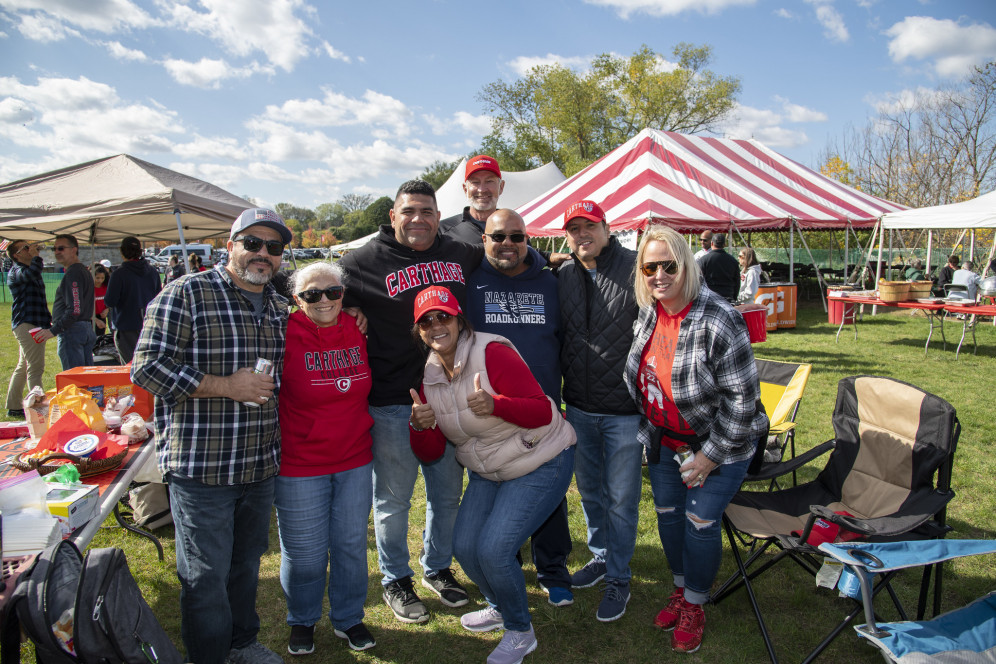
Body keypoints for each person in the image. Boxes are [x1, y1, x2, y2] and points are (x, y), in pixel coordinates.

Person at [131, 208, 292, 664]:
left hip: (259, 464)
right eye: (252, 243)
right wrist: (224, 385)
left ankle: (241, 644)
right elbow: (145, 367)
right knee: (204, 576)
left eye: (273, 247)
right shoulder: (186, 292)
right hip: (203, 465)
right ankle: (210, 656)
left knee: (243, 567)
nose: (263, 254)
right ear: (230, 246)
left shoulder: (280, 308)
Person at [338, 180, 484, 624]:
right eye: (408, 211)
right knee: (394, 498)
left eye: (426, 211)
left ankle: (437, 567)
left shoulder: (462, 251)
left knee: (447, 495)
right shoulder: (360, 261)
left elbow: (507, 259)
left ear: (438, 216)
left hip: (449, 395)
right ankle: (395, 577)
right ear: (393, 215)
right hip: (392, 400)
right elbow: (312, 293)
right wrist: (347, 309)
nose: (417, 219)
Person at [408, 285, 576, 664]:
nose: (436, 326)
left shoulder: (491, 351)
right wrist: (420, 426)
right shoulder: (431, 374)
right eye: (426, 321)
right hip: (490, 469)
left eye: (443, 317)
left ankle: (520, 631)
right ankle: (501, 604)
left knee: (494, 551)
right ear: (419, 331)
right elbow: (433, 452)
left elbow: (543, 412)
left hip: (541, 458)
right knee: (464, 546)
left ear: (459, 319)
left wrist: (496, 404)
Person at [624, 224, 768, 654]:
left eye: (669, 265)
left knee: (700, 522)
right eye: (650, 267)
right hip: (666, 441)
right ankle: (681, 588)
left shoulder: (719, 317)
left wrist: (708, 457)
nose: (659, 275)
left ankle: (695, 604)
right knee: (668, 516)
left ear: (687, 263)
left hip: (721, 443)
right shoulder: (649, 311)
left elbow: (743, 402)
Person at [466, 209, 574, 607]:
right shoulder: (470, 281)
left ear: (528, 239)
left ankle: (553, 567)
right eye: (498, 237)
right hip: (490, 410)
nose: (507, 244)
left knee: (549, 491)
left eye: (516, 236)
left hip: (543, 408)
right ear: (484, 240)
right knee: (499, 484)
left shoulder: (552, 281)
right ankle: (505, 560)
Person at [275, 262, 375, 656]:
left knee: (350, 544)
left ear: (343, 294)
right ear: (296, 300)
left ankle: (349, 617)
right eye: (312, 294)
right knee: (305, 553)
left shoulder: (356, 326)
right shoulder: (282, 332)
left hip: (354, 457)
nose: (324, 300)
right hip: (300, 463)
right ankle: (302, 619)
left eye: (333, 292)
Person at [558, 199, 642, 622]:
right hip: (579, 408)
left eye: (589, 225)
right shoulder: (563, 275)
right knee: (590, 492)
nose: (581, 234)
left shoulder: (636, 269)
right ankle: (601, 556)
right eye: (573, 228)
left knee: (622, 499)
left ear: (607, 228)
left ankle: (620, 578)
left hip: (625, 411)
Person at [33, 234, 95, 370]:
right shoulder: (81, 271)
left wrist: (53, 330)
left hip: (72, 330)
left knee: (75, 382)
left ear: (73, 250)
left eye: (61, 248)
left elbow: (75, 309)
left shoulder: (74, 273)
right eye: (54, 249)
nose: (57, 252)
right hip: (83, 328)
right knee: (86, 380)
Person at [5, 240, 51, 419]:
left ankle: (14, 405)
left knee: (23, 366)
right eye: (26, 248)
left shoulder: (25, 270)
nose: (31, 249)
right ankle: (37, 408)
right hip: (27, 324)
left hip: (31, 323)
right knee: (35, 367)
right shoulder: (18, 271)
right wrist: (37, 257)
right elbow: (32, 273)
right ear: (17, 255)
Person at [105, 236, 162, 363]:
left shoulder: (119, 274)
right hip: (149, 325)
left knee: (130, 368)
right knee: (148, 364)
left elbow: (110, 301)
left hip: (126, 327)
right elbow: (159, 298)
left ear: (122, 251)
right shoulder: (152, 272)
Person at [439, 155, 505, 243]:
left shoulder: (515, 229)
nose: (482, 189)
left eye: (489, 181)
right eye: (475, 182)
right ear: (465, 189)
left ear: (501, 187)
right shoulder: (443, 230)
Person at [698, 233, 740, 302]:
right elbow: (737, 282)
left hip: (709, 299)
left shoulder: (703, 260)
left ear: (712, 243)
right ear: (724, 245)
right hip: (728, 298)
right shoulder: (733, 261)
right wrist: (734, 297)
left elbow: (698, 280)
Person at [92, 263, 110, 338]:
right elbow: (84, 308)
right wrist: (96, 320)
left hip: (101, 317)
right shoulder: (89, 288)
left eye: (102, 278)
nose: (100, 280)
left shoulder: (106, 287)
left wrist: (107, 310)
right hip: (91, 318)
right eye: (97, 278)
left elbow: (109, 302)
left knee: (100, 339)